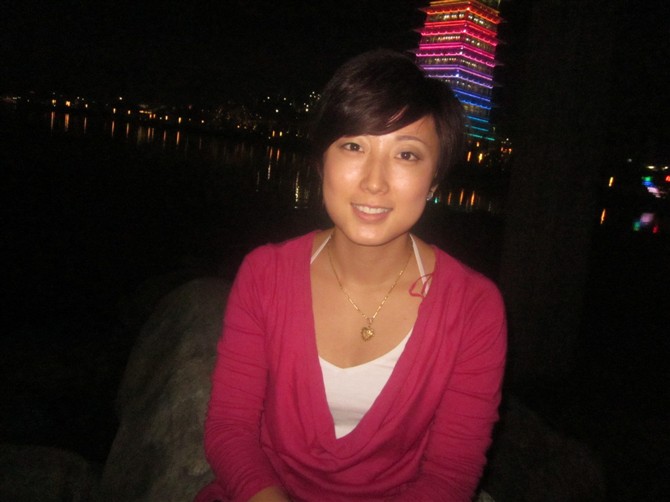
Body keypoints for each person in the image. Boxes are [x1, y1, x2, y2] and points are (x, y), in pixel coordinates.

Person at [196, 49, 506, 502]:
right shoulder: (266, 275)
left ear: (434, 182)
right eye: (354, 146)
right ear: (322, 160)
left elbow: (450, 474)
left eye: (406, 154)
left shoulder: (473, 308)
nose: (374, 182)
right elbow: (230, 428)